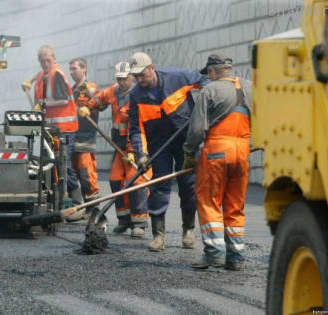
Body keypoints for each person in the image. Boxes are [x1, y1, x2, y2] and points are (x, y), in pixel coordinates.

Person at [128, 52, 209, 252]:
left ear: (152, 68)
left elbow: (204, 80)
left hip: (185, 141)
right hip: (158, 144)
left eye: (142, 75)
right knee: (159, 186)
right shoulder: (136, 94)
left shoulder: (177, 77)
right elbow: (136, 129)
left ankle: (188, 230)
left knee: (188, 187)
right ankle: (158, 235)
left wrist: (204, 103)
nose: (139, 80)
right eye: (135, 76)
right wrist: (141, 154)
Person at [183, 54, 251, 271]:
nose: (208, 77)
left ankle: (214, 254)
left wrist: (189, 154)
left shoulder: (209, 90)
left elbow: (196, 130)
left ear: (213, 71)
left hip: (216, 152)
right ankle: (235, 256)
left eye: (209, 73)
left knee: (209, 200)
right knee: (234, 205)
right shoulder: (250, 87)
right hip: (242, 151)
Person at [79, 61, 152, 238]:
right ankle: (124, 220)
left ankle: (139, 222)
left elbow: (136, 127)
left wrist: (132, 151)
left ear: (131, 78)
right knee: (115, 180)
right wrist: (88, 107)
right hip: (118, 144)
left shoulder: (138, 95)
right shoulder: (113, 91)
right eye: (118, 79)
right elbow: (98, 99)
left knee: (136, 182)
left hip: (136, 144)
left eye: (124, 79)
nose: (121, 83)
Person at [21, 45, 84, 220]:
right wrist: (29, 81)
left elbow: (62, 99)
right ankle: (55, 202)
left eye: (48, 60)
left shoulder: (57, 74)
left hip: (65, 129)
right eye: (42, 61)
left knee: (64, 166)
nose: (45, 63)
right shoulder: (43, 74)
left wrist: (42, 105)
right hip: (51, 130)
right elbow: (39, 74)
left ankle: (78, 203)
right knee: (51, 164)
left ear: (54, 59)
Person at [70, 57, 101, 221]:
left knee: (86, 172)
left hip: (86, 138)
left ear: (84, 69)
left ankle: (94, 207)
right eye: (71, 69)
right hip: (73, 136)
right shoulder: (72, 89)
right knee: (74, 172)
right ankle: (81, 206)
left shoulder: (91, 87)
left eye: (75, 68)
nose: (72, 72)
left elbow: (96, 98)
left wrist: (86, 91)